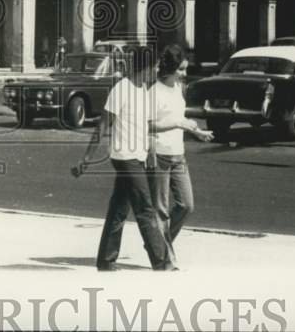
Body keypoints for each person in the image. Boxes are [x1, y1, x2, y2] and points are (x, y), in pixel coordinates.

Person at [73, 49, 175, 271]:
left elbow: (143, 126)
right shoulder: (121, 89)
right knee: (145, 208)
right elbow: (102, 125)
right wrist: (87, 158)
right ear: (145, 68)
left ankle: (106, 260)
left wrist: (149, 153)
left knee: (119, 208)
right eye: (155, 67)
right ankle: (162, 262)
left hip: (136, 156)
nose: (157, 71)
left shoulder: (143, 90)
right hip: (124, 157)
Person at [148, 45, 211, 266]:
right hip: (159, 155)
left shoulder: (177, 89)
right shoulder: (154, 92)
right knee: (162, 210)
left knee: (186, 205)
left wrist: (197, 131)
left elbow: (180, 118)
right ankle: (164, 258)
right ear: (170, 69)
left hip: (178, 154)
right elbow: (148, 126)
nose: (184, 74)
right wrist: (176, 123)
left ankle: (158, 244)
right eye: (181, 69)